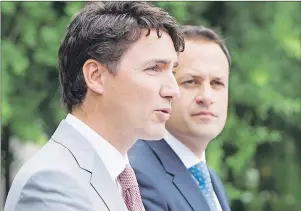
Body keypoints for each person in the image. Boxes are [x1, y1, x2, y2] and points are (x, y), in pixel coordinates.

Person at [4, 2, 184, 211]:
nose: (173, 90)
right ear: (95, 76)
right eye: (154, 68)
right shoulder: (53, 182)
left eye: (173, 71)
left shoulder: (118, 177)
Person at [129, 25, 232, 211]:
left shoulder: (210, 179)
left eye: (217, 83)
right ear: (164, 88)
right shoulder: (137, 174)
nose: (207, 97)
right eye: (191, 82)